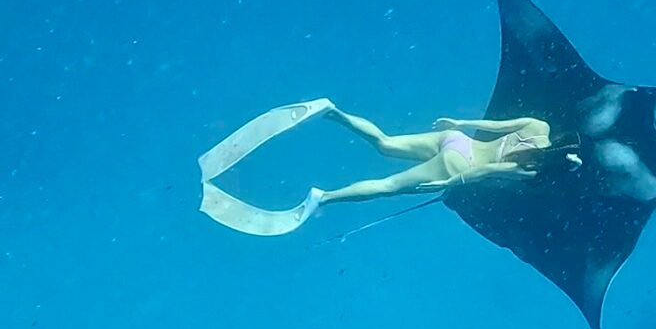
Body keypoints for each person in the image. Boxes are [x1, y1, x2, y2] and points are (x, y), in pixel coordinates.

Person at [198, 98, 581, 236]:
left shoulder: (538, 127)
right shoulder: (531, 171)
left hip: (459, 142)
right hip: (459, 163)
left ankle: (332, 111)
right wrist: (452, 181)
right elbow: (486, 174)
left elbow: (495, 126)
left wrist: (458, 124)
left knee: (383, 143)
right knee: (385, 187)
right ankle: (322, 197)